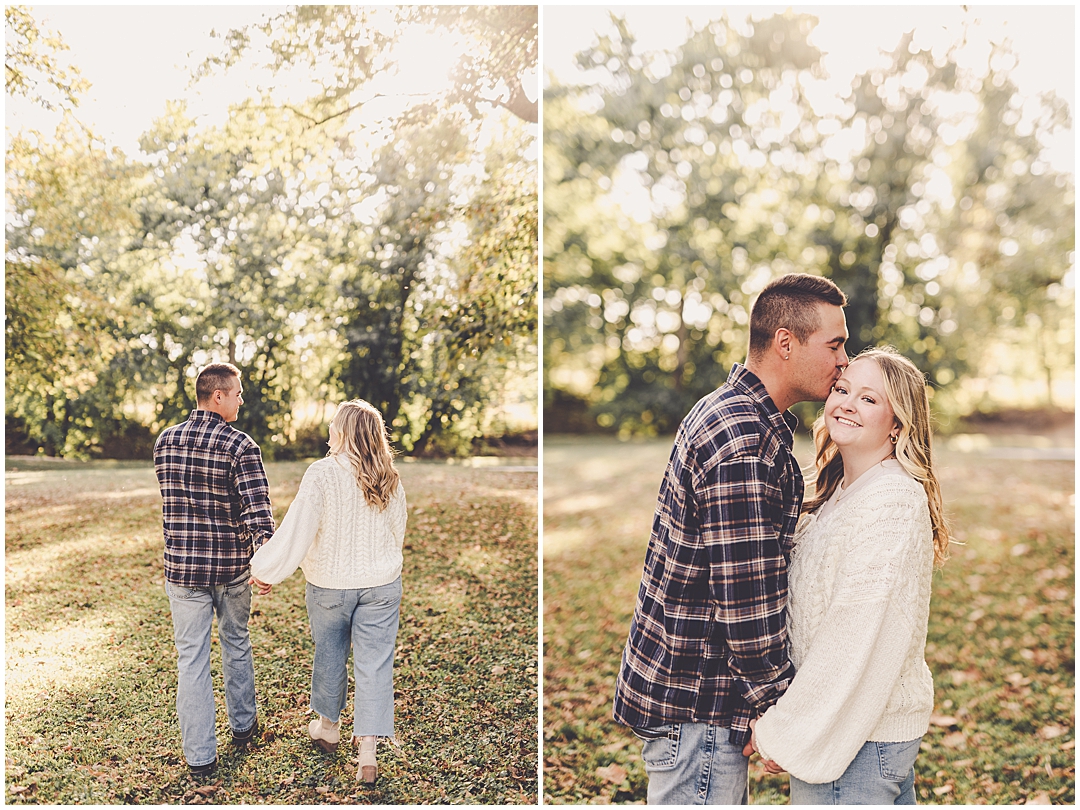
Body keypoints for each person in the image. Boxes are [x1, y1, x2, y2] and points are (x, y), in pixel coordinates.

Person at [613, 272, 849, 804]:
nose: (844, 361)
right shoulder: (744, 442)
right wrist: (782, 706)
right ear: (785, 343)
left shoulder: (734, 413)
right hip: (700, 704)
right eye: (834, 344)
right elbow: (744, 605)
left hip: (695, 697)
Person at [747, 347, 950, 804]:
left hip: (856, 739)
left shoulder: (892, 502)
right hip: (844, 730)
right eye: (842, 390)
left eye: (869, 399)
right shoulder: (837, 492)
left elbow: (854, 636)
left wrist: (786, 729)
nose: (846, 403)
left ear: (898, 423)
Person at [249, 399, 407, 784]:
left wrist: (266, 569)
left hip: (330, 586)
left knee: (330, 653)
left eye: (334, 425)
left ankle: (329, 729)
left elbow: (297, 529)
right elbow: (396, 533)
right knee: (374, 664)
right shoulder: (389, 477)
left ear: (343, 432)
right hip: (382, 586)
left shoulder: (321, 474)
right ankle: (367, 754)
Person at [154, 362, 276, 776]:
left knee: (191, 660)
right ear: (218, 396)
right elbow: (259, 515)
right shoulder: (240, 446)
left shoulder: (165, 442)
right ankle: (243, 727)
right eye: (238, 393)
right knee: (236, 641)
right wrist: (267, 563)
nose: (242, 399)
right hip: (229, 568)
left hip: (183, 570)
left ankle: (201, 758)